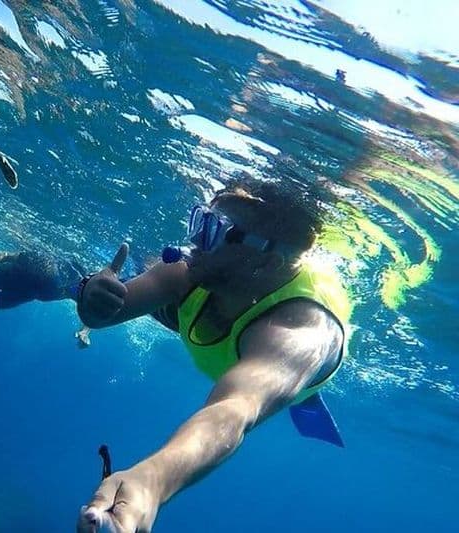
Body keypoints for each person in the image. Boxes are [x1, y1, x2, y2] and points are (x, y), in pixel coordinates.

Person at [75, 178, 351, 533]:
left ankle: (304, 399)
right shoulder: (187, 272)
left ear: (267, 259)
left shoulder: (299, 332)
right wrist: (93, 301)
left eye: (213, 230)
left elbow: (235, 409)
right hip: (222, 323)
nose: (194, 241)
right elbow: (104, 314)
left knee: (286, 389)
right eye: (198, 220)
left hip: (282, 362)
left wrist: (152, 482)